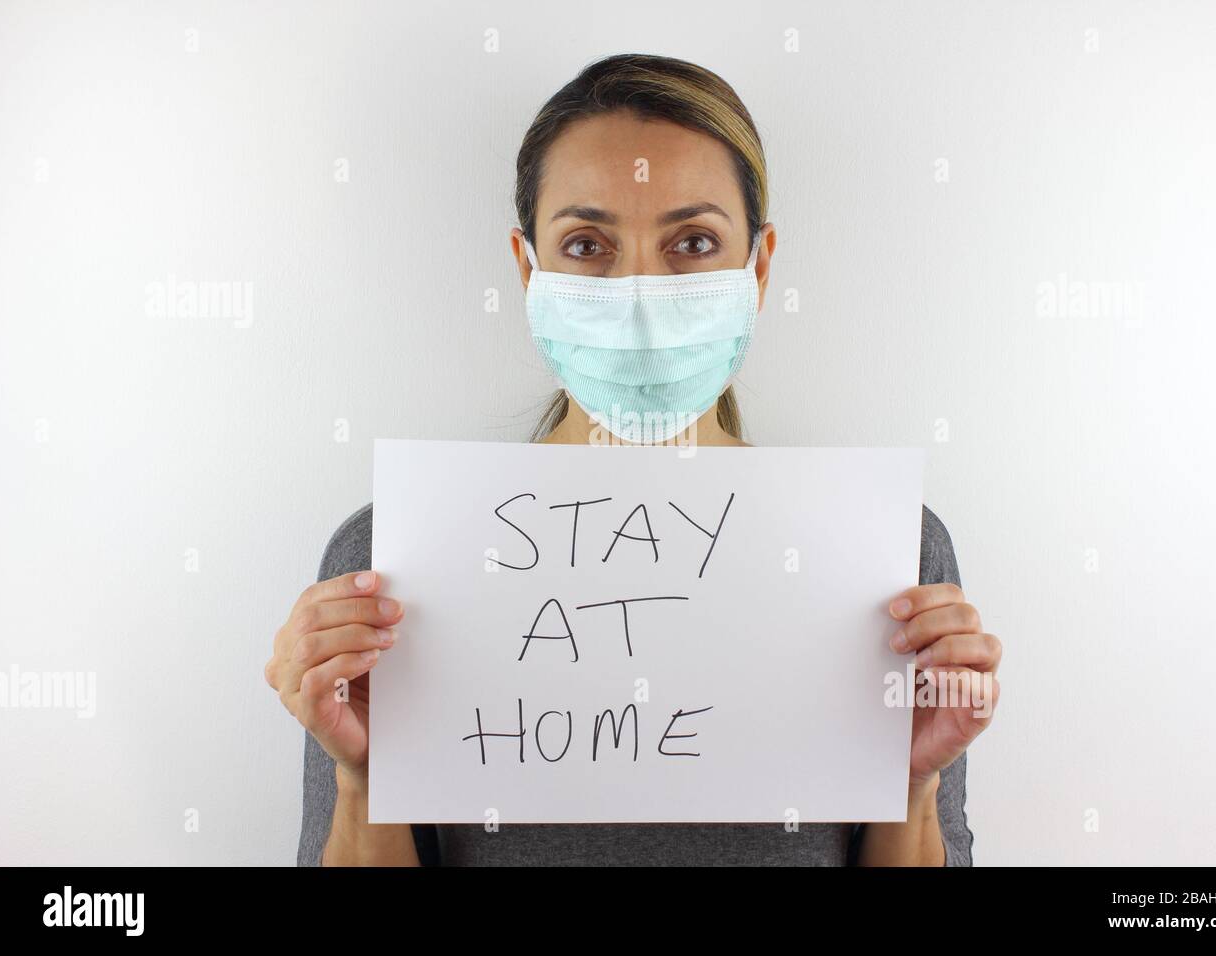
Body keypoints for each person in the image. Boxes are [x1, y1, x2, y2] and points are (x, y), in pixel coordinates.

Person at [265, 53, 1001, 866]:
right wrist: (365, 777)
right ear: (527, 268)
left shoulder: (888, 556)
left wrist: (909, 788)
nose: (642, 293)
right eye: (587, 244)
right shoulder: (388, 560)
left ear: (758, 269)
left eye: (692, 241)